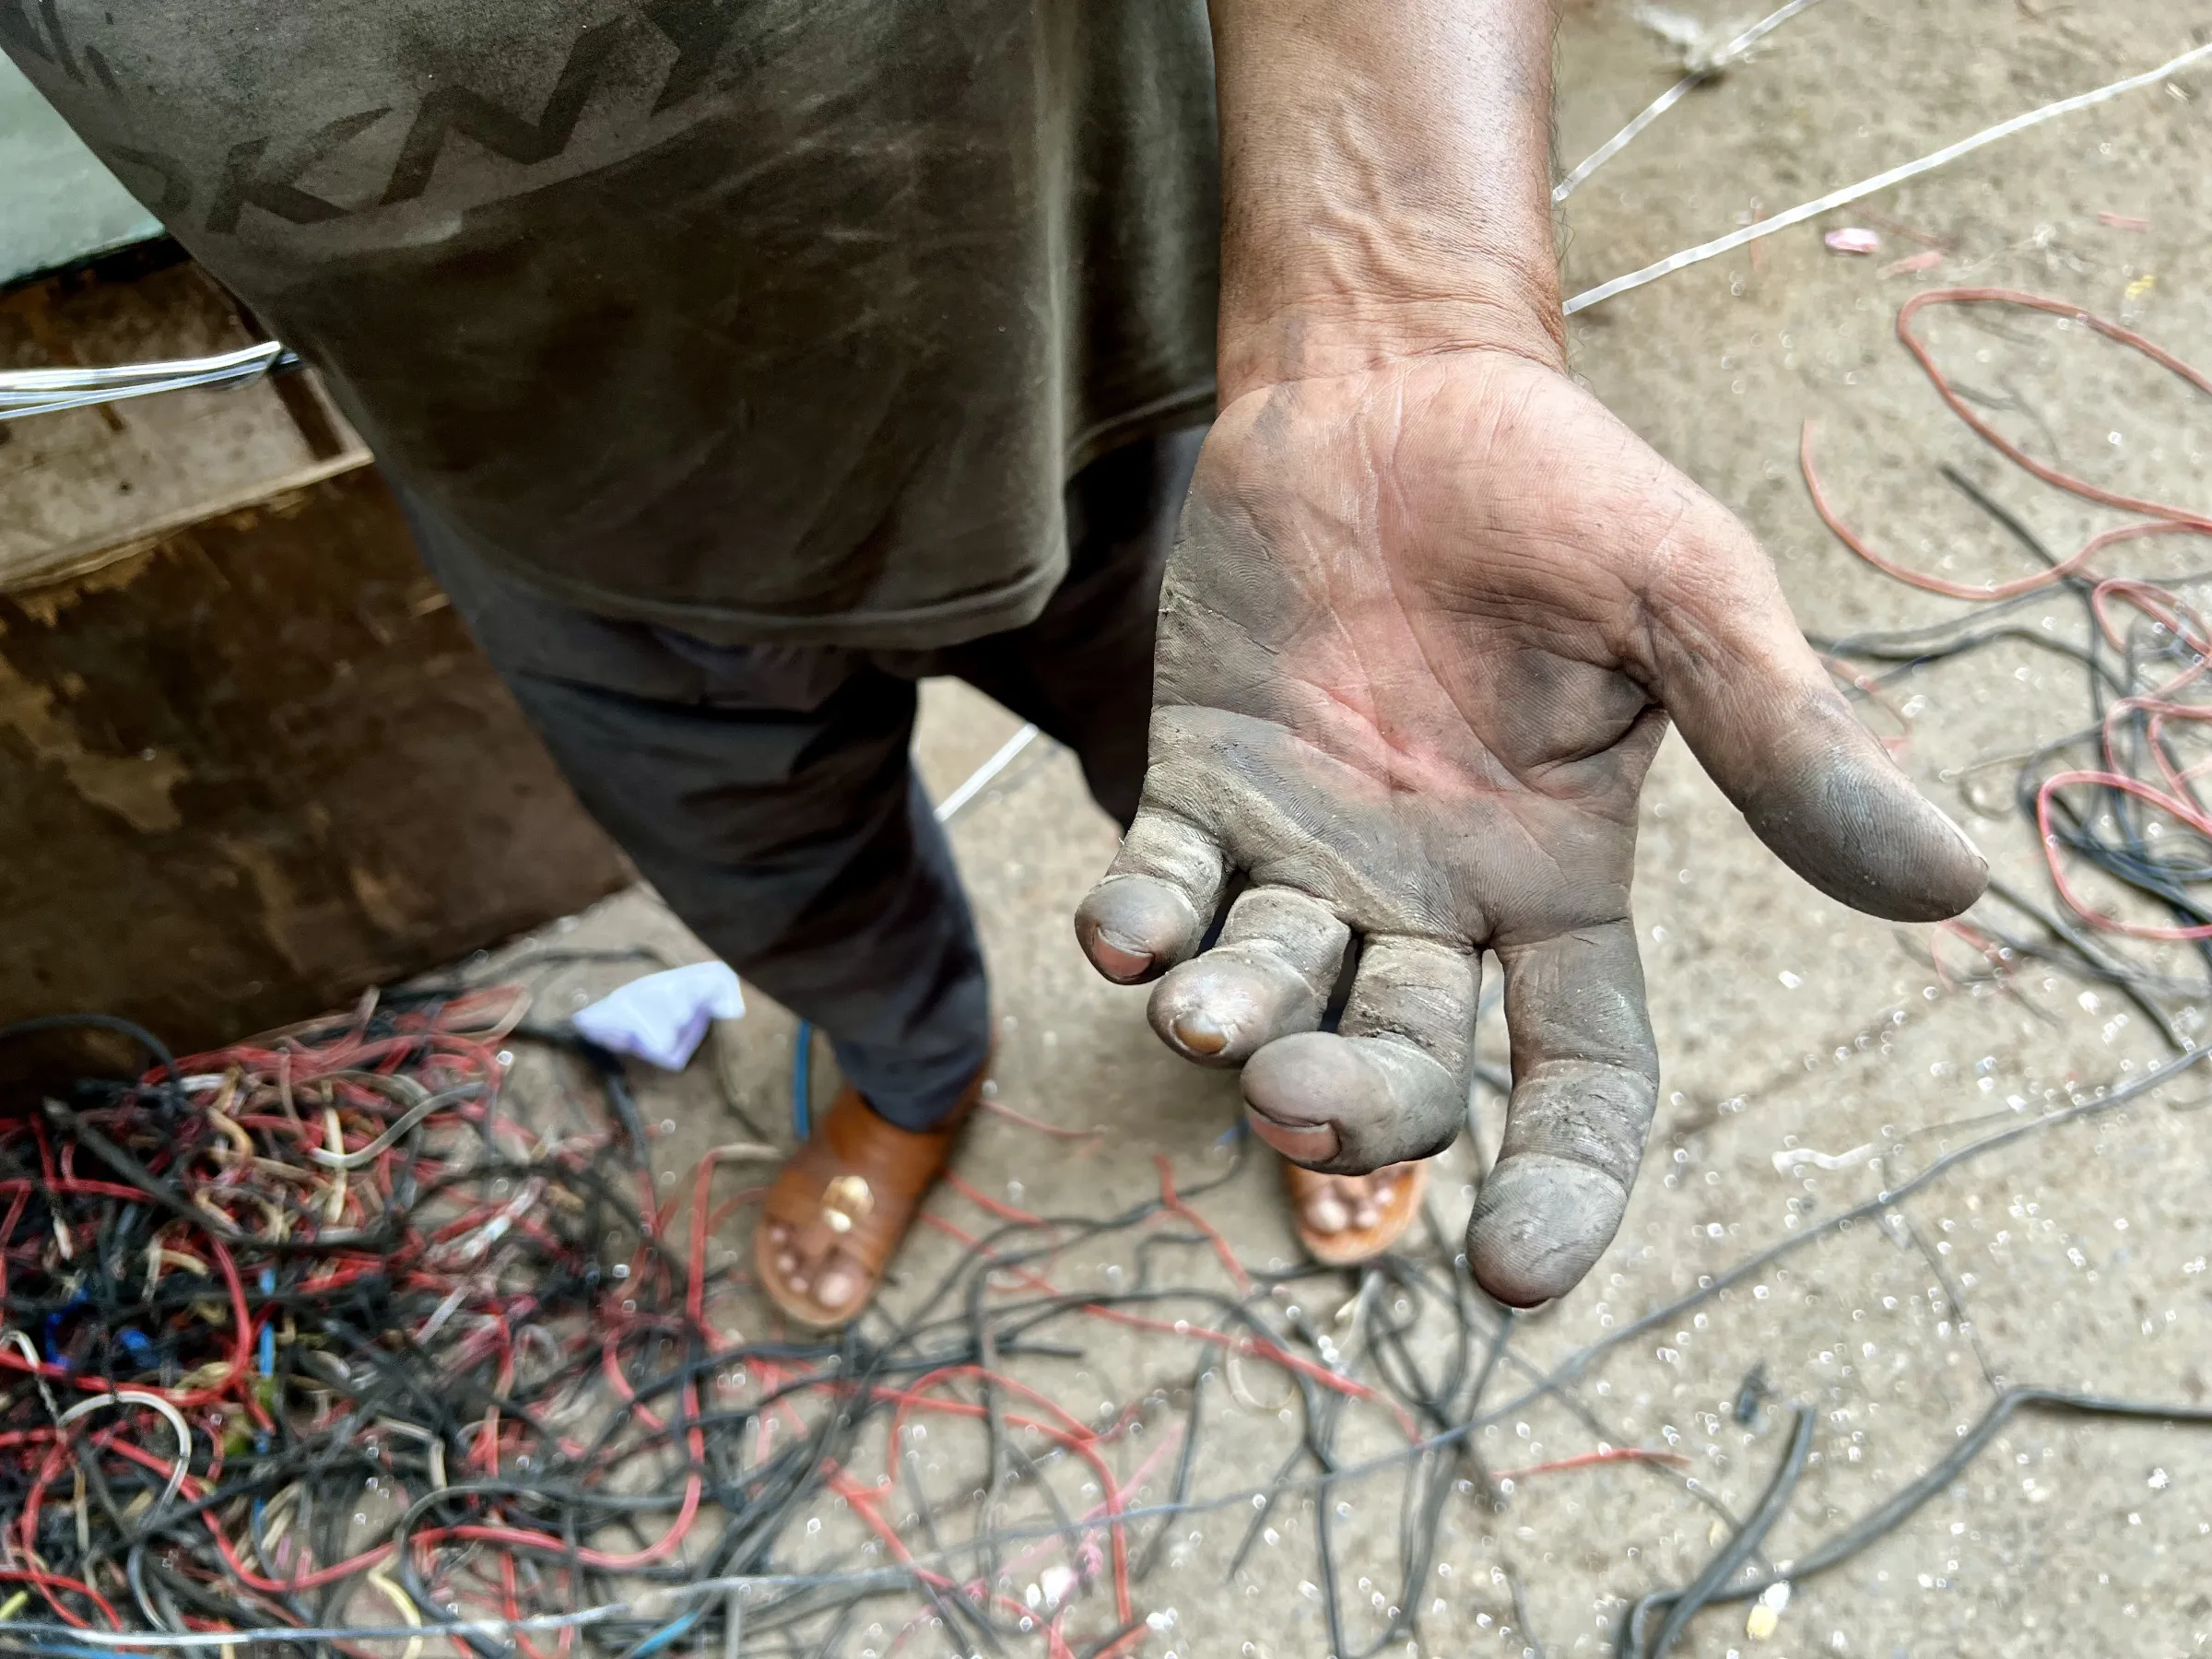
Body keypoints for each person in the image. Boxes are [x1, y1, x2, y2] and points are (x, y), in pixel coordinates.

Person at [6, 0, 1983, 1327]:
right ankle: (905, 1069)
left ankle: (1267, 1069)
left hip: (1174, 408)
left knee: (1281, 849)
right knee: (780, 884)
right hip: (555, 490)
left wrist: (1402, 308)